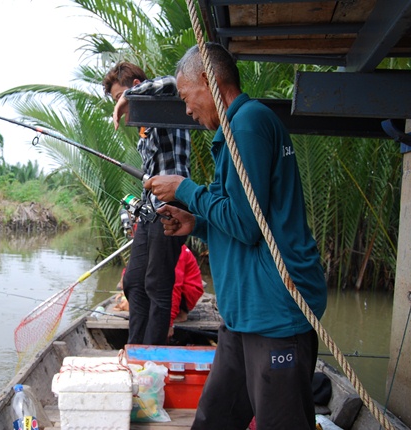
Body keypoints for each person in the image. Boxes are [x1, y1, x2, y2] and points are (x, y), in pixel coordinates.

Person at [143, 43, 328, 429]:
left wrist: (185, 189)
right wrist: (199, 223)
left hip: (274, 314)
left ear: (210, 82)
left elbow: (245, 222)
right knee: (214, 419)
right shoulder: (235, 130)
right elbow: (248, 217)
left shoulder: (247, 123)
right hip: (242, 315)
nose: (187, 109)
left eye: (186, 96)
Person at [102, 62, 191, 345]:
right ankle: (134, 348)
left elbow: (174, 82)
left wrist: (128, 98)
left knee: (157, 284)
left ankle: (150, 356)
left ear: (136, 84)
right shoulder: (144, 125)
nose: (120, 104)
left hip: (173, 204)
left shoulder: (164, 103)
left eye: (119, 97)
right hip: (150, 208)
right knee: (133, 282)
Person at [114, 243, 204, 339]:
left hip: (186, 292)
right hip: (163, 286)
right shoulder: (146, 244)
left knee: (164, 285)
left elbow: (174, 287)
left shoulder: (174, 249)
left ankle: (180, 314)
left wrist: (168, 323)